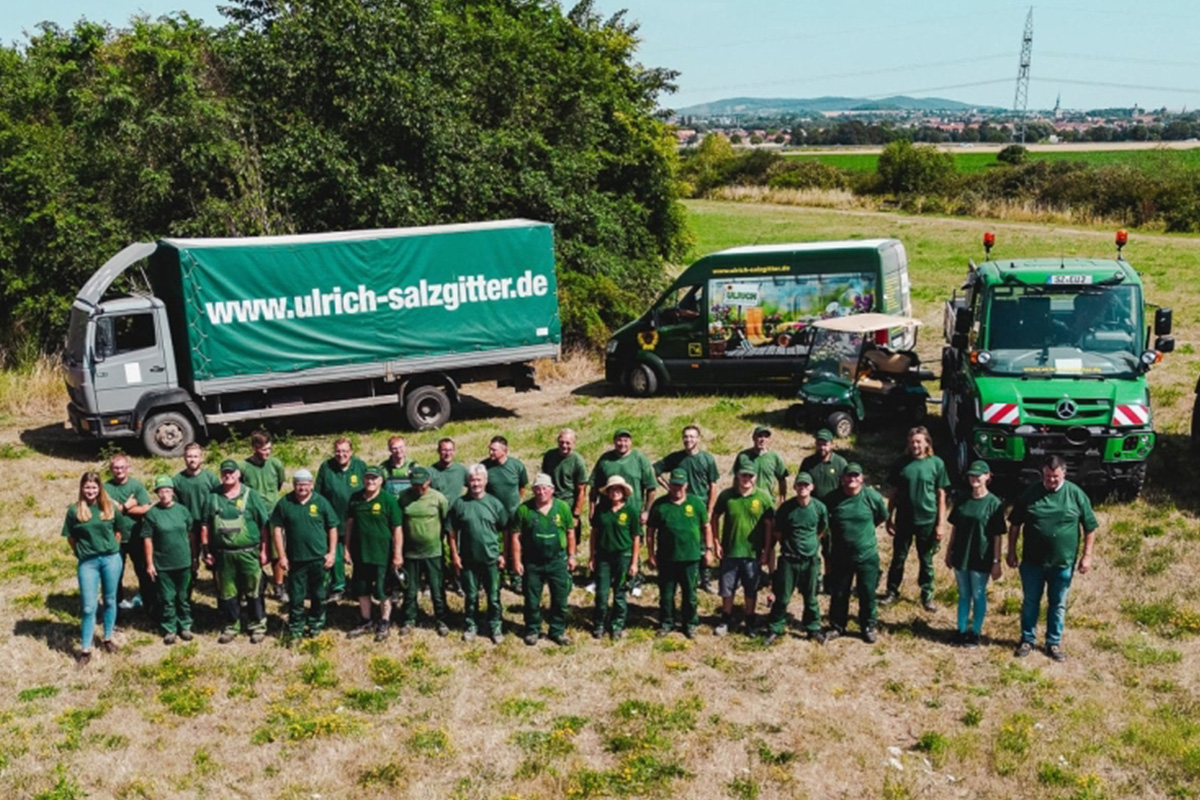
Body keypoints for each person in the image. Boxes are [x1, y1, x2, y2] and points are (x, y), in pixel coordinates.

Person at [1006, 455, 1098, 662]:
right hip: (1032, 562)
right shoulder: (1031, 493)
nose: (1051, 480)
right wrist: (1011, 551)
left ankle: (1053, 642)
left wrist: (1087, 556)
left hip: (1062, 563)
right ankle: (1027, 639)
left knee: (1058, 604)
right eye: (1047, 476)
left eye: (1055, 476)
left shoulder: (1075, 494)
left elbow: (1090, 527)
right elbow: (1014, 524)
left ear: (1064, 473)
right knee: (1031, 602)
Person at [201, 459, 270, 644]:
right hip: (223, 555)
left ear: (238, 474)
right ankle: (231, 626)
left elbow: (264, 526)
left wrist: (265, 550)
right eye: (225, 472)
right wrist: (206, 551)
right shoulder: (212, 497)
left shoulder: (251, 495)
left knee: (254, 591)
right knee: (227, 592)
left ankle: (257, 626)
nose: (228, 475)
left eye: (232, 472)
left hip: (249, 553)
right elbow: (205, 526)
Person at [882, 426, 951, 611]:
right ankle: (891, 591)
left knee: (926, 560)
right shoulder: (901, 464)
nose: (915, 445)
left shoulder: (936, 464)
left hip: (927, 520)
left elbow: (941, 496)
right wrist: (889, 518)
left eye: (919, 441)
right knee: (898, 558)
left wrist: (941, 524)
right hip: (904, 519)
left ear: (927, 443)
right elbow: (893, 493)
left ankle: (927, 596)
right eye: (912, 442)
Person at [63, 472, 124, 668]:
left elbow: (119, 531)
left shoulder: (109, 507)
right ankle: (85, 649)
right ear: (82, 488)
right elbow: (71, 538)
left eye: (94, 487)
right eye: (87, 487)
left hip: (110, 560)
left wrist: (112, 548)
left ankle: (107, 638)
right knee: (89, 607)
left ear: (100, 488)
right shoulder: (74, 511)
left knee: (110, 599)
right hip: (88, 563)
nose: (91, 491)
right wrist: (81, 553)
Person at [271, 469, 339, 640]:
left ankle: (315, 626)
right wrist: (282, 556)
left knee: (319, 595)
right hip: (296, 559)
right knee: (296, 597)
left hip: (319, 559)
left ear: (311, 485)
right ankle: (296, 628)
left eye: (305, 484)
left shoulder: (321, 502)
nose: (302, 488)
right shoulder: (285, 503)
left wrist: (331, 553)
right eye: (298, 484)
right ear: (293, 485)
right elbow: (277, 530)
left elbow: (332, 527)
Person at [824, 462, 888, 643]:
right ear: (842, 478)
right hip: (841, 555)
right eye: (849, 475)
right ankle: (837, 626)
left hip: (866, 555)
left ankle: (868, 626)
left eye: (856, 475)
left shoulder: (871, 497)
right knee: (839, 592)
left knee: (867, 592)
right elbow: (824, 521)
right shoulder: (832, 499)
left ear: (862, 478)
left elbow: (882, 516)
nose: (852, 478)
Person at [944, 461, 1006, 648]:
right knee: (964, 594)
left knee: (978, 594)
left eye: (978, 475)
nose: (974, 479)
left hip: (981, 556)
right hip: (961, 554)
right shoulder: (962, 500)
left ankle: (975, 632)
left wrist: (996, 561)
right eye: (971, 475)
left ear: (987, 477)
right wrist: (949, 550)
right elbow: (955, 528)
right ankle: (961, 629)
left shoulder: (994, 503)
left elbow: (997, 535)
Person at [646, 470, 713, 639]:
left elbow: (706, 527)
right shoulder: (660, 505)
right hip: (666, 558)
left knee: (690, 594)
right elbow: (650, 531)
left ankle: (689, 624)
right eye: (674, 485)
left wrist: (709, 550)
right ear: (669, 484)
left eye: (680, 485)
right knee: (666, 594)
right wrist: (651, 555)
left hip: (691, 558)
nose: (677, 488)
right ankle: (666, 622)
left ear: (686, 485)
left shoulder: (696, 503)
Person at [764, 472, 829, 645]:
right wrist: (791, 546)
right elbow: (778, 531)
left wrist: (810, 545)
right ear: (794, 487)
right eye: (799, 485)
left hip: (810, 561)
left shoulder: (819, 508)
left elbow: (821, 530)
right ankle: (775, 628)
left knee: (811, 598)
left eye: (806, 485)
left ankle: (813, 628)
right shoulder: (786, 508)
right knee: (782, 597)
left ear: (812, 487)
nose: (802, 488)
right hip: (789, 560)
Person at [446, 464, 509, 643]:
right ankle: (471, 625)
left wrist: (504, 554)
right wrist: (454, 555)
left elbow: (506, 530)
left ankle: (495, 626)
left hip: (491, 559)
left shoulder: (495, 503)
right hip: (468, 560)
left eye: (479, 480)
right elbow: (451, 531)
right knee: (471, 596)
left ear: (485, 481)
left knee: (494, 597)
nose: (475, 484)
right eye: (472, 480)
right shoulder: (460, 504)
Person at [511, 473, 576, 646]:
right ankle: (532, 630)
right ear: (533, 491)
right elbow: (516, 536)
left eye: (545, 488)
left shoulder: (562, 507)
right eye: (538, 489)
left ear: (552, 490)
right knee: (532, 599)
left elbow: (570, 533)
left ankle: (557, 631)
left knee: (560, 599)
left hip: (558, 560)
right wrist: (516, 561)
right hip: (533, 562)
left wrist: (572, 556)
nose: (541, 492)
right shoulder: (524, 509)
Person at [653, 425, 720, 592]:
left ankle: (705, 577)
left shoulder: (707, 459)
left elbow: (713, 485)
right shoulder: (676, 458)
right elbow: (654, 470)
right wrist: (668, 487)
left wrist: (710, 509)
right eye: (686, 436)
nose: (688, 440)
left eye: (692, 436)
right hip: (679, 505)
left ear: (698, 439)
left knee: (702, 542)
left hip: (700, 505)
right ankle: (685, 576)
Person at [590, 429, 655, 596]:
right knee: (602, 544)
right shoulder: (605, 460)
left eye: (626, 440)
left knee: (633, 545)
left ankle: (634, 580)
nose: (622, 444)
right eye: (619, 440)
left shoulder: (639, 459)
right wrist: (592, 509)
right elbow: (594, 487)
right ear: (614, 441)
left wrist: (646, 511)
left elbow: (651, 487)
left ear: (630, 442)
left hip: (632, 512)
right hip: (607, 512)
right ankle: (600, 578)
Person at [711, 466, 774, 636]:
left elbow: (769, 525)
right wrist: (716, 542)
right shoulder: (727, 496)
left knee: (751, 589)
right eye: (743, 475)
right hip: (730, 551)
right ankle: (725, 618)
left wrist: (766, 550)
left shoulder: (763, 497)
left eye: (750, 476)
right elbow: (714, 517)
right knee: (727, 588)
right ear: (737, 476)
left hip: (752, 553)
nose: (747, 479)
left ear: (755, 477)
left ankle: (750, 620)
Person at [344, 466, 404, 641]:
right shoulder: (355, 499)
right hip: (361, 553)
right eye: (367, 478)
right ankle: (366, 621)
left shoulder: (388, 500)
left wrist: (397, 554)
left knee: (383, 590)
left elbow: (397, 529)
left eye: (374, 478)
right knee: (362, 588)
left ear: (381, 481)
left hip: (382, 555)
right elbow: (349, 525)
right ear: (363, 479)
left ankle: (385, 621)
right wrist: (346, 548)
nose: (370, 481)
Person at [397, 466, 451, 636]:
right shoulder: (403, 497)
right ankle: (409, 619)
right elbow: (398, 524)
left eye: (421, 484)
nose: (418, 488)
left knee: (437, 588)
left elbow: (446, 523)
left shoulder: (438, 498)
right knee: (410, 589)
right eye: (415, 484)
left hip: (433, 552)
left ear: (428, 481)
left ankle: (442, 619)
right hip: (410, 553)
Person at [142, 476, 196, 645]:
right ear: (157, 494)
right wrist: (150, 563)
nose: (164, 494)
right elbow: (148, 539)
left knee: (183, 597)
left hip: (183, 561)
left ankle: (185, 625)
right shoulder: (152, 514)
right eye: (161, 491)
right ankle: (169, 628)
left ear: (172, 492)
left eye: (167, 491)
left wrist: (194, 557)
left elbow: (191, 535)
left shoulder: (182, 511)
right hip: (163, 563)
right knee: (167, 598)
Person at [314, 436, 367, 602]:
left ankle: (359, 586)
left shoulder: (360, 466)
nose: (341, 454)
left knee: (357, 554)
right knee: (335, 556)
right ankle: (338, 586)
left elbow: (370, 488)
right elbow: (318, 494)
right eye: (338, 451)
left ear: (351, 452)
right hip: (334, 520)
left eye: (344, 451)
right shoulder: (326, 467)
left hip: (356, 519)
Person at [589, 476, 641, 639]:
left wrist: (634, 562)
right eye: (612, 489)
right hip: (603, 557)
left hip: (623, 557)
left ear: (624, 492)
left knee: (620, 593)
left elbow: (636, 537)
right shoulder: (601, 509)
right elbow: (594, 534)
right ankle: (599, 624)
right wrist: (592, 557)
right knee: (602, 593)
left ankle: (617, 625)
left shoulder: (631, 511)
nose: (615, 492)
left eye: (618, 489)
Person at [241, 430, 288, 603]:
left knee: (277, 551)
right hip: (253, 516)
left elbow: (279, 484)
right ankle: (254, 584)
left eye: (269, 448)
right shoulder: (243, 467)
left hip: (273, 513)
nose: (267, 452)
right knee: (254, 550)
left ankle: (279, 585)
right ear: (254, 448)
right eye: (264, 449)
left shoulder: (275, 464)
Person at [799, 429, 846, 594]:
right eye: (819, 444)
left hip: (833, 514)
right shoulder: (808, 463)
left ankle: (829, 580)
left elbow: (846, 488)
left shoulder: (840, 463)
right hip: (812, 513)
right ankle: (811, 579)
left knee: (830, 550)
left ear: (832, 444)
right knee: (811, 548)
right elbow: (801, 485)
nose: (822, 447)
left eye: (825, 444)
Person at [173, 443, 220, 602]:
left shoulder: (211, 479)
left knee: (215, 562)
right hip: (188, 528)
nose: (192, 460)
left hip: (209, 527)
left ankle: (221, 597)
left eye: (195, 456)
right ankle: (186, 599)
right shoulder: (177, 480)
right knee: (188, 563)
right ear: (184, 458)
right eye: (189, 456)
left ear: (201, 458)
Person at [105, 453, 152, 613]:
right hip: (114, 538)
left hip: (136, 536)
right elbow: (105, 511)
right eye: (116, 468)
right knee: (115, 574)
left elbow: (145, 509)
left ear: (128, 468)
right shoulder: (105, 488)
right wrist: (127, 506)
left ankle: (148, 603)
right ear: (111, 469)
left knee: (143, 572)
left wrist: (120, 508)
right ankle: (116, 606)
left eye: (122, 467)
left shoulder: (136, 486)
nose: (119, 471)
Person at [482, 435, 529, 591]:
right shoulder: (485, 467)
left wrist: (516, 504)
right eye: (490, 449)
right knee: (496, 547)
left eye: (494, 450)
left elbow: (522, 487)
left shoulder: (516, 466)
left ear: (504, 451)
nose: (491, 452)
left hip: (513, 515)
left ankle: (515, 577)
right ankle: (498, 577)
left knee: (514, 547)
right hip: (492, 515)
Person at [540, 428, 589, 551]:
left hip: (568, 505)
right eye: (561, 442)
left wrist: (576, 515)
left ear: (574, 443)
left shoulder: (578, 462)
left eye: (568, 443)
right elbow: (544, 479)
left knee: (570, 540)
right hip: (551, 503)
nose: (564, 446)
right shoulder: (549, 456)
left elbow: (581, 490)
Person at [732, 426, 789, 502]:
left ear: (769, 440)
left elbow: (782, 480)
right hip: (746, 499)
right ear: (753, 438)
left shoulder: (775, 457)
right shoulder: (743, 456)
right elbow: (736, 479)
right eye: (760, 436)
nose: (763, 440)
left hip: (767, 500)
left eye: (766, 437)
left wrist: (782, 500)